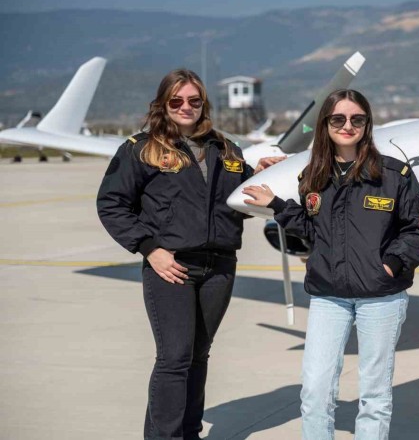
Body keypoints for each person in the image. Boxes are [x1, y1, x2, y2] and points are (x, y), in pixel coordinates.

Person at [241, 89, 419, 440]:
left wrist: (393, 264)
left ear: (367, 124)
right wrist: (276, 205)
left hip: (380, 297)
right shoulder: (313, 176)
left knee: (374, 395)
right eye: (338, 119)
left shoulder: (394, 175)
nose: (347, 125)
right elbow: (311, 228)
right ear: (326, 124)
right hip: (327, 296)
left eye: (357, 119)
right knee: (315, 391)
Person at [96, 68, 283, 440]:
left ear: (203, 105)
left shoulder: (226, 148)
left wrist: (261, 174)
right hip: (171, 267)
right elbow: (111, 204)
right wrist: (150, 250)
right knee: (174, 358)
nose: (186, 107)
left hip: (219, 267)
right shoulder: (141, 148)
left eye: (194, 101)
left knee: (199, 356)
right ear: (164, 104)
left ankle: (189, 433)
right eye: (177, 101)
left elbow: (239, 197)